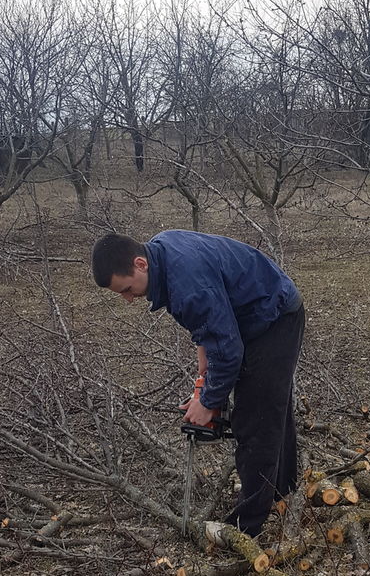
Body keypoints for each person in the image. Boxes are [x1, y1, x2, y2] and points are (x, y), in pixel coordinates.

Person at [91, 230, 304, 540]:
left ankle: (245, 529)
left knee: (256, 420)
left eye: (126, 288)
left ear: (140, 264)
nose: (127, 299)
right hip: (257, 314)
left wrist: (207, 403)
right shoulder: (163, 251)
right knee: (270, 409)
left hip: (274, 318)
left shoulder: (185, 284)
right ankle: (282, 493)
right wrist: (204, 375)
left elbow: (228, 350)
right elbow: (209, 323)